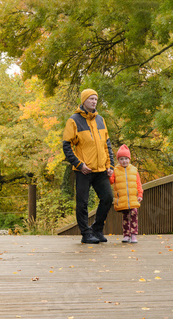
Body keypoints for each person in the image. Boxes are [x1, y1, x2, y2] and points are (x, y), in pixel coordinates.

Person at [62, 89, 114, 244]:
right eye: (91, 99)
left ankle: (97, 229)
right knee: (82, 202)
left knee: (108, 198)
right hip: (84, 170)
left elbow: (107, 145)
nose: (94, 102)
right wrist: (79, 164)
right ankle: (86, 233)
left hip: (101, 170)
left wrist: (110, 164)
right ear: (84, 101)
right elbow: (66, 146)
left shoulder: (100, 120)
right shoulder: (74, 120)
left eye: (96, 99)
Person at [109, 144, 143, 243]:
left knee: (134, 214)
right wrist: (109, 175)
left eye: (126, 159)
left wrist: (140, 194)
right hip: (122, 199)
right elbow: (111, 181)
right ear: (118, 160)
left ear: (129, 159)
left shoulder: (134, 170)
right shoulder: (115, 170)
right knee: (125, 217)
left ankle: (133, 234)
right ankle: (126, 235)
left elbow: (138, 184)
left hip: (133, 198)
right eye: (121, 159)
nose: (124, 161)